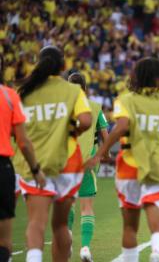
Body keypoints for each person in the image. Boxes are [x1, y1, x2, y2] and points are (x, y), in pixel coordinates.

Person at [84, 57, 159, 262]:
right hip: (158, 168)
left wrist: (100, 152)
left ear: (137, 76)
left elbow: (120, 127)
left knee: (130, 227)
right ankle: (156, 253)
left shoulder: (125, 99)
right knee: (158, 226)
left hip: (129, 168)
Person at [14, 46, 92, 262]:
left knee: (36, 223)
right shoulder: (72, 91)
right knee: (60, 225)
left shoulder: (25, 91)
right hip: (65, 164)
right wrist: (72, 131)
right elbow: (86, 121)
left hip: (35, 164)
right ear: (63, 66)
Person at [0, 56, 43, 261]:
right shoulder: (9, 97)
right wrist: (35, 169)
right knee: (4, 240)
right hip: (2, 168)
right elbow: (23, 141)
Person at [66, 72, 109, 262]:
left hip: (65, 162)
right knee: (86, 207)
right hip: (87, 162)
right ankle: (84, 248)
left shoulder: (62, 107)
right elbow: (105, 136)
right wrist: (105, 154)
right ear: (85, 88)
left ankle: (66, 240)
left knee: (68, 204)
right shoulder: (94, 107)